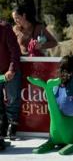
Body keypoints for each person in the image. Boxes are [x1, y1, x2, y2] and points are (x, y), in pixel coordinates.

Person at [0, 20, 21, 150]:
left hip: (9, 70)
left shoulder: (5, 28)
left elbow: (14, 50)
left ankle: (12, 126)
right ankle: (2, 133)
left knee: (13, 98)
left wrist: (11, 69)